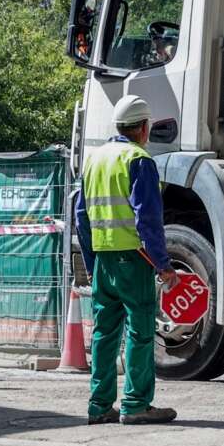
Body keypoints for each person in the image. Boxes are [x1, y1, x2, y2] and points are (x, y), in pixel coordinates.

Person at [75, 94, 179, 425]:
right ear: (144, 128)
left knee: (104, 333)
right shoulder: (139, 160)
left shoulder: (93, 160)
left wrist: (92, 265)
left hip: (103, 259)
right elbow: (147, 219)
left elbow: (81, 216)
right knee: (140, 330)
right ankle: (135, 404)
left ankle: (100, 405)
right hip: (134, 258)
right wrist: (162, 264)